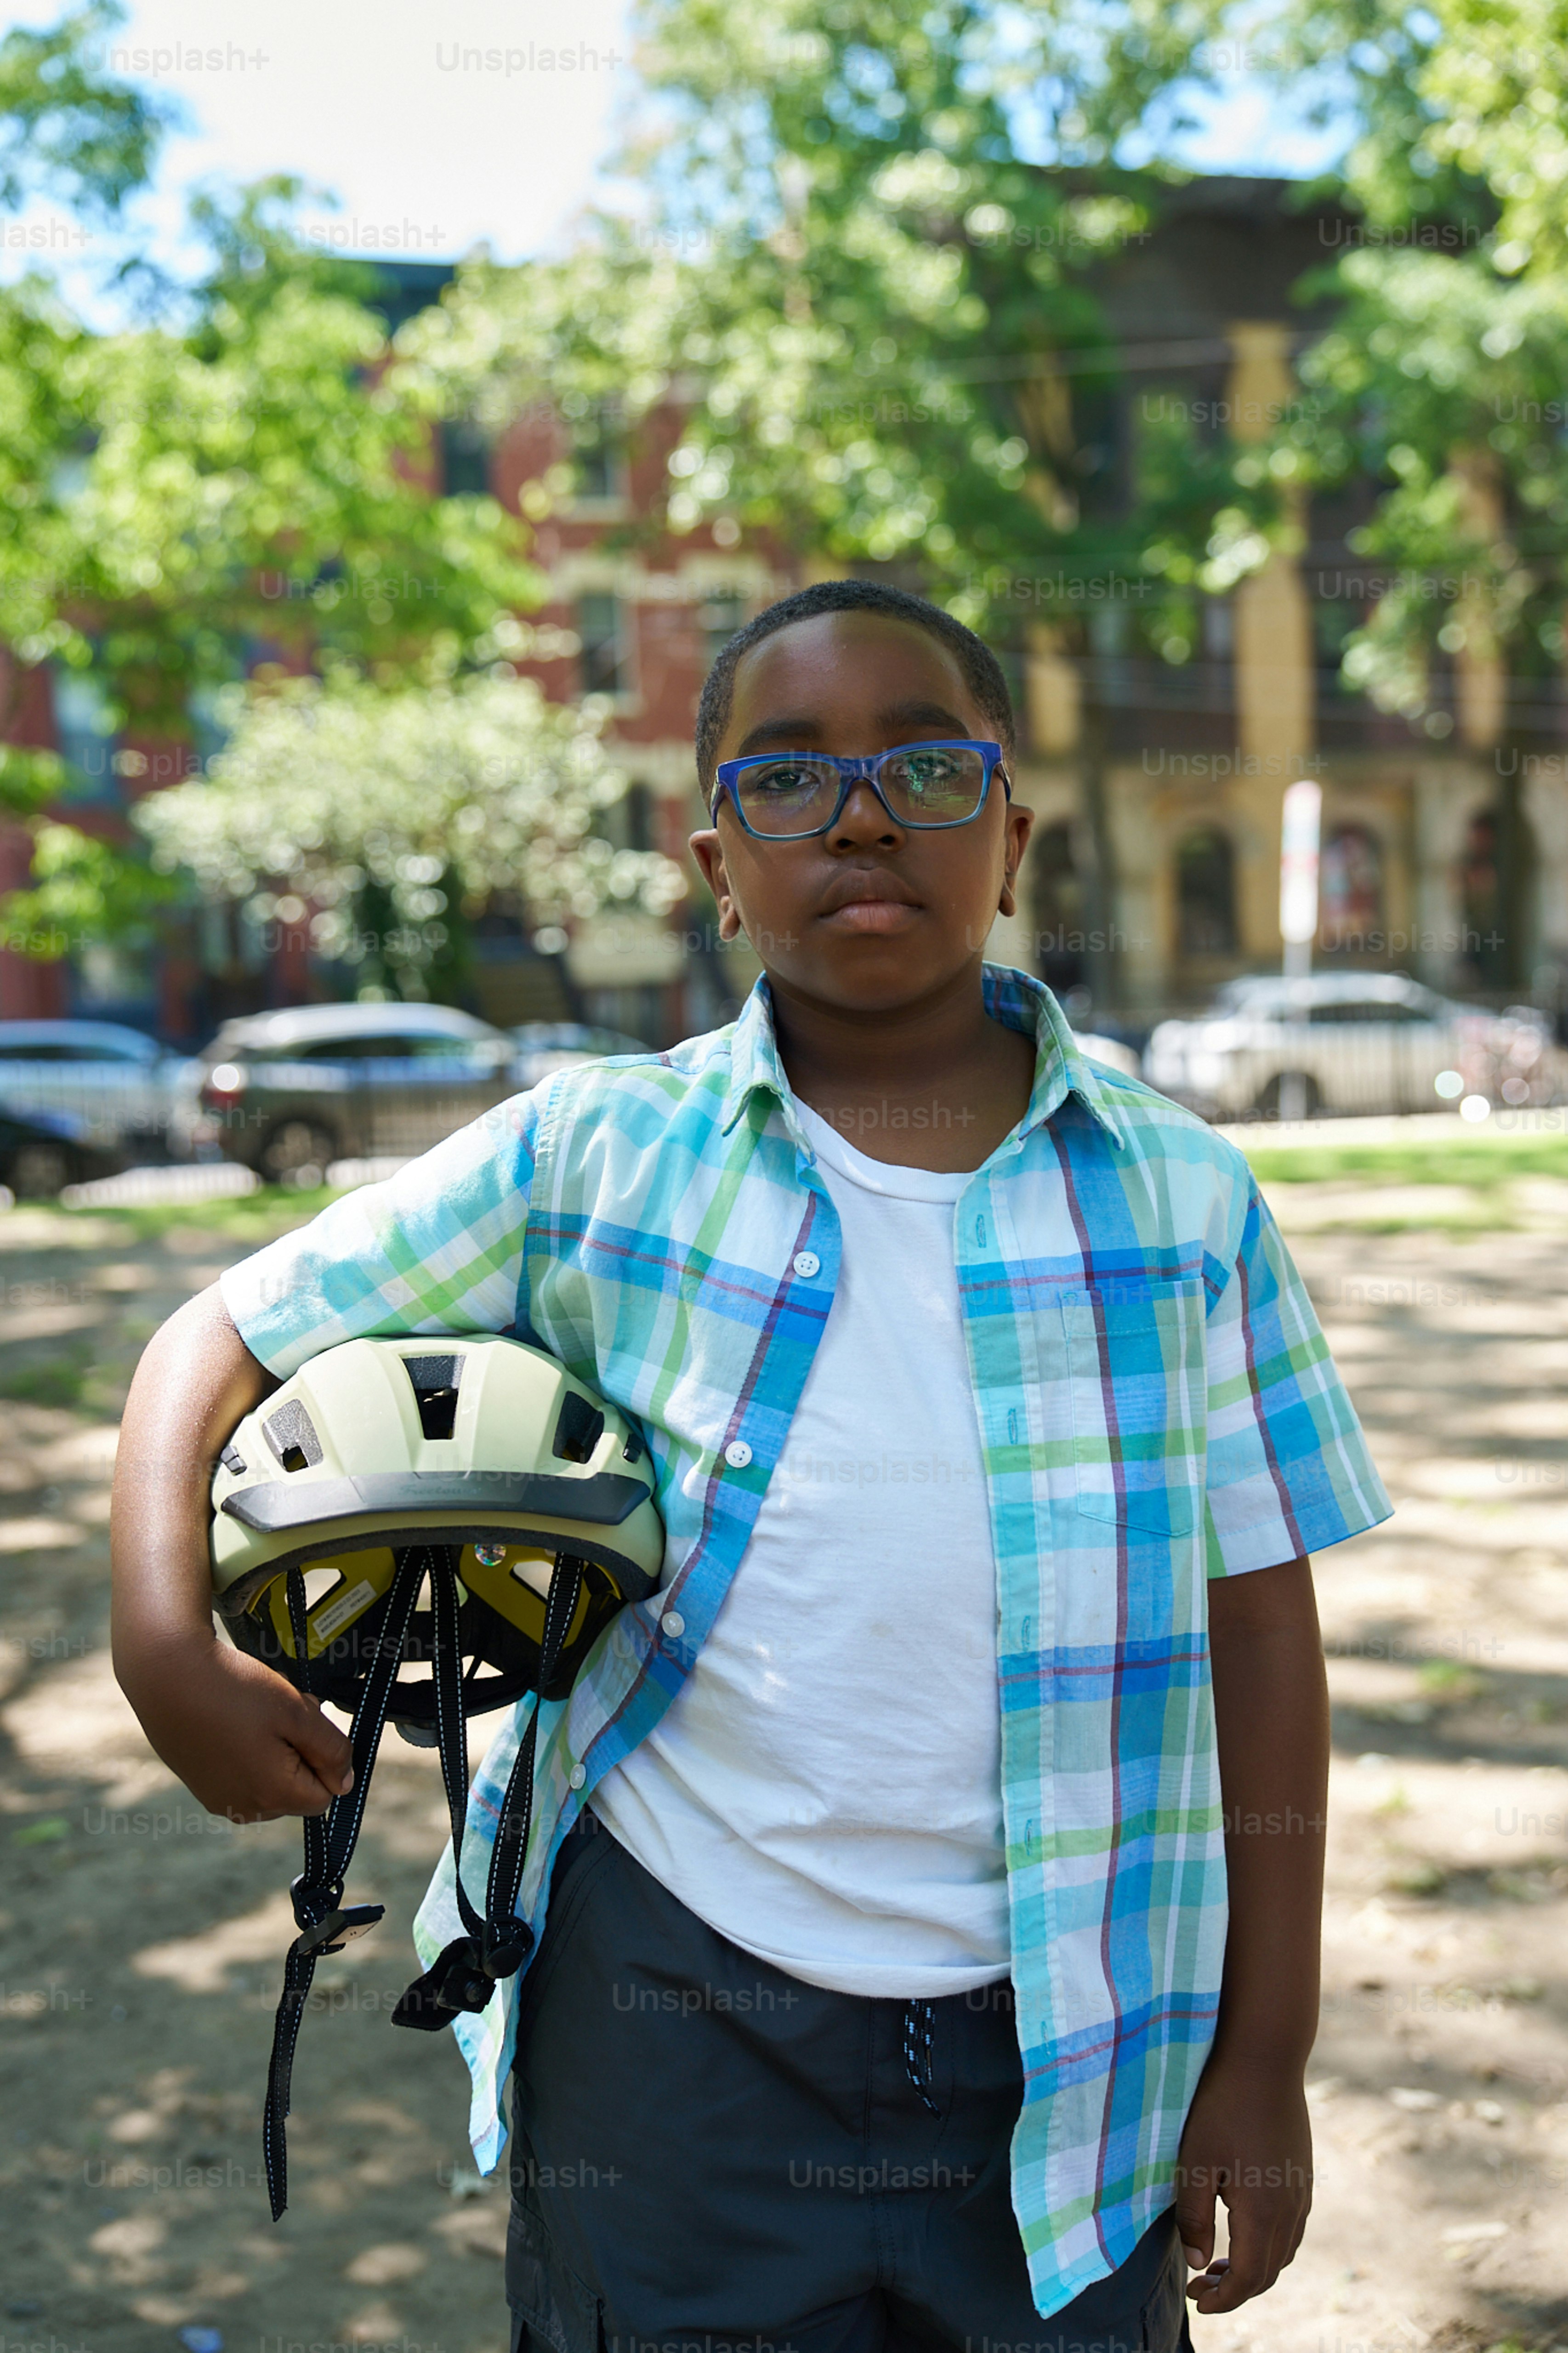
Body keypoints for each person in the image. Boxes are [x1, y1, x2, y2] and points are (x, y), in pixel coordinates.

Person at [111, 581, 1391, 2352]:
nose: (860, 812)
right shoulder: (591, 1156)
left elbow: (1261, 1631)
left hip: (1081, 2046)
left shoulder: (1182, 1201)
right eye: (784, 780)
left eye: (925, 769)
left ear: (1009, 839)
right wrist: (162, 1638)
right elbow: (217, 1335)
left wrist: (1264, 2057)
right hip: (670, 2024)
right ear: (717, 865)